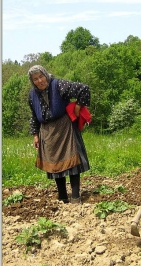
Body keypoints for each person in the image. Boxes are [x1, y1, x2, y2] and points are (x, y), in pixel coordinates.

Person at [28, 65, 91, 204]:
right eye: (35, 79)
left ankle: (75, 197)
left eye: (41, 76)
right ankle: (62, 197)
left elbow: (83, 89)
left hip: (65, 127)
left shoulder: (58, 85)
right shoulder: (32, 95)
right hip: (47, 132)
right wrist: (35, 134)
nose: (39, 80)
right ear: (32, 81)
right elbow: (33, 115)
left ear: (45, 75)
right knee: (54, 165)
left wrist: (78, 106)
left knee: (72, 161)